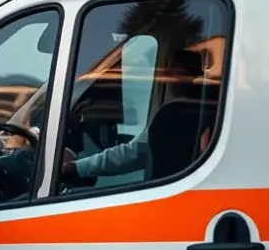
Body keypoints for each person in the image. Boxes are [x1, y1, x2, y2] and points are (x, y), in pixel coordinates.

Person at [62, 49, 210, 179]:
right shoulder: (204, 109)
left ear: (194, 77)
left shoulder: (173, 115)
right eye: (168, 71)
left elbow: (134, 154)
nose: (168, 77)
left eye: (176, 72)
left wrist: (77, 166)